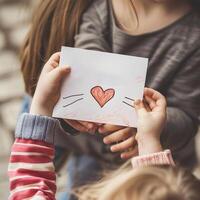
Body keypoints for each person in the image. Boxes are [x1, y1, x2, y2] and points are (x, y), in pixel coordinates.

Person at [20, 0, 200, 199]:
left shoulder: (193, 35)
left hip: (125, 165)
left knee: (81, 190)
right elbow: (88, 54)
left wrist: (147, 130)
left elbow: (187, 115)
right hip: (79, 136)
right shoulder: (100, 7)